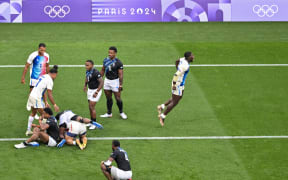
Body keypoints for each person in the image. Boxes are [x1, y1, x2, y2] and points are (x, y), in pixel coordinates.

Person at [157, 51, 194, 126]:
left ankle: (161, 107)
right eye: (192, 56)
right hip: (178, 84)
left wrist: (177, 67)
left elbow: (177, 61)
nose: (193, 57)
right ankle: (162, 116)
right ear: (188, 57)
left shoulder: (183, 59)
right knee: (175, 102)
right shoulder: (185, 66)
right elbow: (176, 74)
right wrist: (174, 84)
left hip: (179, 83)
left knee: (178, 98)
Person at [25, 65, 60, 136]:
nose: (55, 77)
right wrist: (54, 105)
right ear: (54, 74)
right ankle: (44, 131)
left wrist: (46, 102)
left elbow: (43, 91)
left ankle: (28, 130)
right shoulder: (50, 81)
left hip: (32, 95)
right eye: (56, 76)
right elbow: (49, 94)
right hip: (36, 98)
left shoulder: (44, 76)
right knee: (44, 115)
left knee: (33, 113)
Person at [21, 43, 50, 120]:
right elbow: (26, 66)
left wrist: (48, 76)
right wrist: (23, 77)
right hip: (34, 78)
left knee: (43, 93)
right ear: (38, 49)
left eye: (44, 50)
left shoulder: (46, 56)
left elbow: (47, 66)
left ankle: (43, 104)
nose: (42, 51)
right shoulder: (33, 55)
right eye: (41, 50)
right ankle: (34, 111)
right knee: (32, 95)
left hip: (42, 78)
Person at [100, 46, 127, 120]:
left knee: (118, 98)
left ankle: (121, 112)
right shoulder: (105, 60)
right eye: (109, 52)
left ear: (115, 53)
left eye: (111, 53)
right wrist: (99, 79)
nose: (109, 54)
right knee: (108, 98)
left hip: (115, 82)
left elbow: (121, 74)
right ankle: (109, 113)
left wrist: (120, 84)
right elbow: (102, 70)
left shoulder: (119, 62)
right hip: (107, 81)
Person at [83, 60, 104, 129]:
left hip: (95, 90)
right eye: (85, 65)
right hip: (90, 90)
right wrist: (85, 85)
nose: (86, 66)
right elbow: (87, 78)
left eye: (87, 65)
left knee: (92, 107)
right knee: (90, 107)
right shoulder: (88, 71)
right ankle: (91, 122)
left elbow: (101, 82)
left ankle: (94, 124)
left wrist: (97, 92)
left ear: (92, 65)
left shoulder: (96, 72)